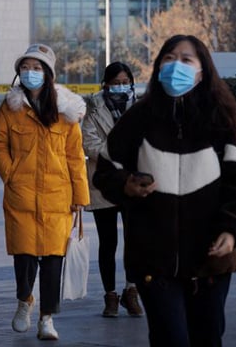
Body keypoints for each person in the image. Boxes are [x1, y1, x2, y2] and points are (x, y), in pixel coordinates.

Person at [93, 35, 236, 347]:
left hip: (210, 261)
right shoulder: (138, 119)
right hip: (153, 260)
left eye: (186, 60)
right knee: (170, 338)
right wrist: (126, 184)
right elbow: (106, 170)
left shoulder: (222, 120)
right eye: (169, 58)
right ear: (158, 68)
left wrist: (233, 230)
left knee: (207, 338)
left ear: (202, 71)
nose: (176, 66)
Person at [0, 43, 89, 341]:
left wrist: (81, 197)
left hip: (58, 197)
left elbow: (75, 155)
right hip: (21, 195)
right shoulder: (10, 107)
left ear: (48, 73)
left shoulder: (65, 111)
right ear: (18, 72)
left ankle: (47, 318)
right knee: (24, 256)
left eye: (36, 68)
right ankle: (24, 301)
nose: (30, 73)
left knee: (53, 260)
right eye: (25, 67)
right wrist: (11, 174)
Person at [81, 62, 143, 318]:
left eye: (124, 81)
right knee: (108, 242)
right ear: (105, 83)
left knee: (134, 241)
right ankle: (110, 296)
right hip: (104, 183)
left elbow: (146, 139)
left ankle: (131, 291)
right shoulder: (92, 107)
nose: (120, 86)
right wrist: (119, 154)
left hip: (133, 183)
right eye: (115, 82)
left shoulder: (140, 106)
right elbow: (89, 142)